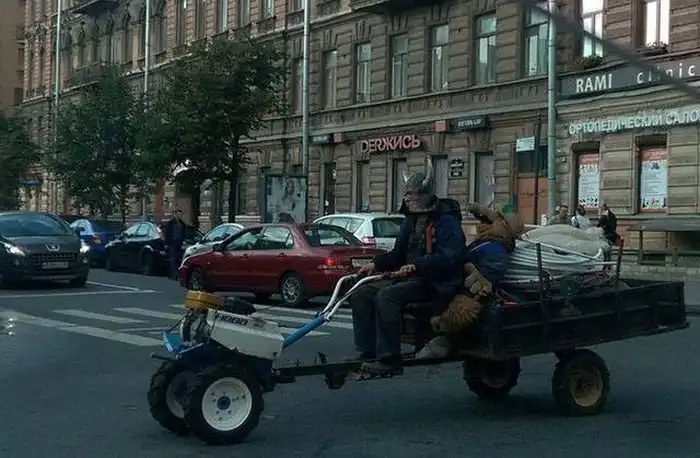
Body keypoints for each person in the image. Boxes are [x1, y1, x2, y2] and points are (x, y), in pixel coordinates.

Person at [350, 167, 465, 376]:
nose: (407, 198)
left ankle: (389, 359)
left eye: (411, 193)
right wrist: (377, 263)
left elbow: (450, 258)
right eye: (406, 193)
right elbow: (397, 254)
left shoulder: (446, 220)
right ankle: (368, 352)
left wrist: (418, 265)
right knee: (361, 293)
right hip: (411, 279)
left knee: (386, 296)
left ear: (424, 194)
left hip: (436, 283)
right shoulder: (410, 220)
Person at [163, 208, 189, 280]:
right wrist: (166, 243)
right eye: (178, 214)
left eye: (180, 214)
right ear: (175, 214)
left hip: (179, 244)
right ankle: (173, 275)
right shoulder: (170, 223)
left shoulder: (182, 224)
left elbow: (184, 234)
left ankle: (176, 274)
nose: (179, 215)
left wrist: (184, 241)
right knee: (173, 259)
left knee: (177, 259)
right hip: (172, 243)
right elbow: (167, 233)